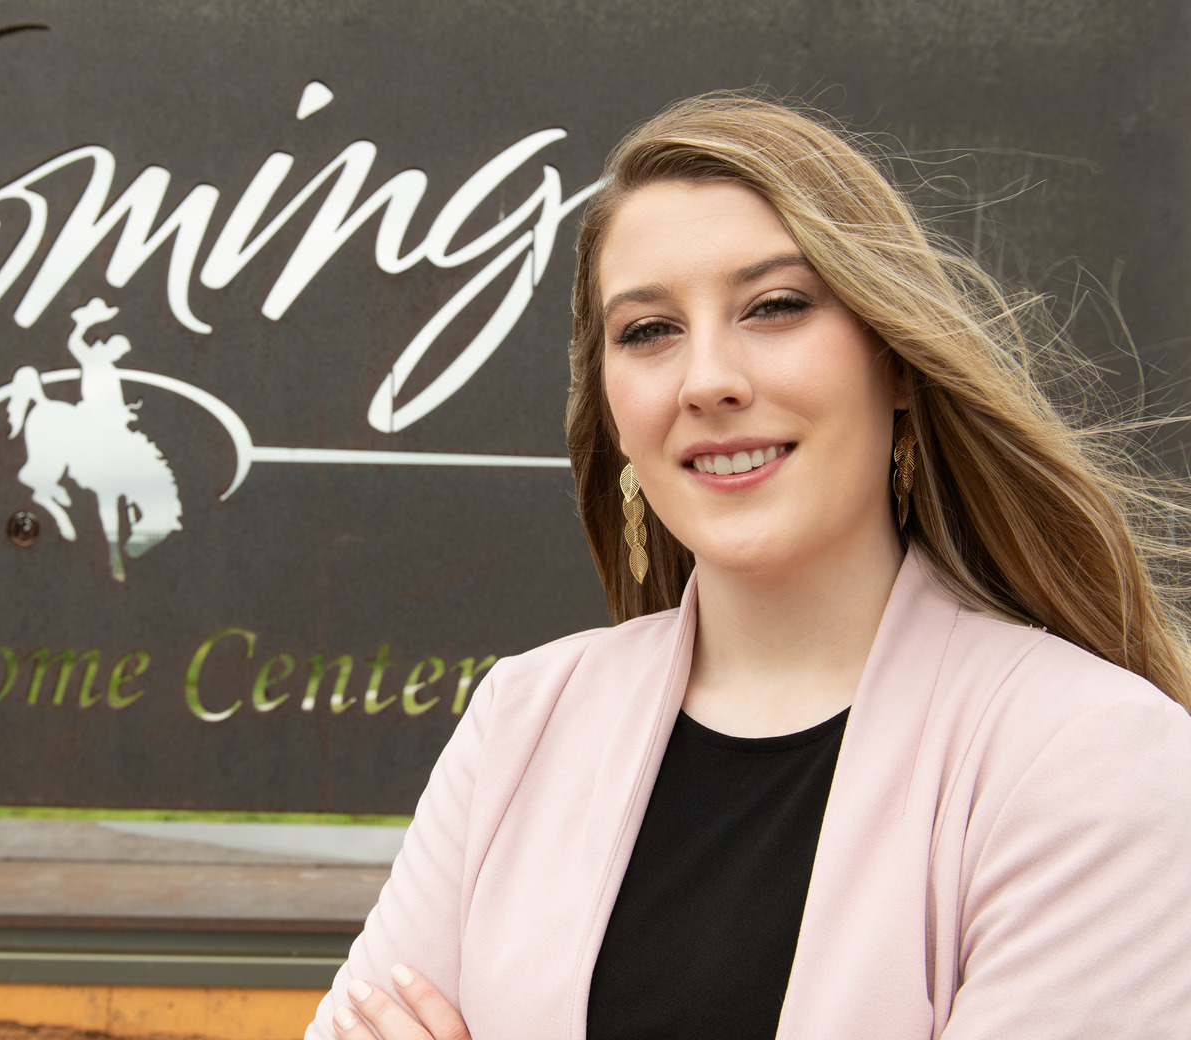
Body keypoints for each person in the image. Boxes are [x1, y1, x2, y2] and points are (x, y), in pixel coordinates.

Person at [305, 93, 1191, 1040]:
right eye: (648, 330)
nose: (707, 380)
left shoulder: (1091, 754)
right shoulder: (525, 721)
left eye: (775, 307)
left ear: (894, 360)